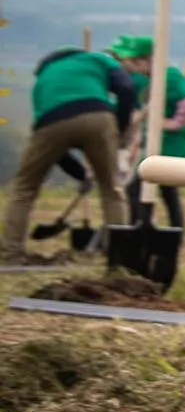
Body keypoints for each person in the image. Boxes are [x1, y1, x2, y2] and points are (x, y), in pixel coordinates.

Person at [1, 43, 137, 261]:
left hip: (51, 123)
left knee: (23, 189)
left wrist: (79, 174)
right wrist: (120, 128)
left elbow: (56, 152)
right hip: (99, 117)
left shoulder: (41, 83)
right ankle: (118, 255)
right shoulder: (98, 59)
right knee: (112, 189)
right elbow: (127, 88)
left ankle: (11, 253)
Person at [113, 35, 185, 230]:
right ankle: (164, 229)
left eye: (136, 62)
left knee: (140, 189)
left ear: (148, 60)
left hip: (171, 144)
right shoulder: (143, 81)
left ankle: (141, 227)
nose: (133, 67)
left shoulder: (170, 77)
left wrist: (173, 123)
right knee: (163, 191)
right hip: (154, 145)